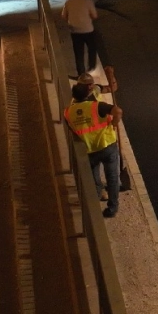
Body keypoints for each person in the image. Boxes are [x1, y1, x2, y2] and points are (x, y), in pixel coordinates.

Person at [65, 79, 123, 217]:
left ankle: (96, 195)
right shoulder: (96, 106)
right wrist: (114, 123)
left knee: (94, 175)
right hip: (107, 145)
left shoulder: (68, 112)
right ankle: (112, 207)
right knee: (112, 177)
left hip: (90, 150)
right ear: (87, 94)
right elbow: (118, 111)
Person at [63, 0, 101, 76]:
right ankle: (91, 67)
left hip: (74, 31)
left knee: (78, 53)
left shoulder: (68, 2)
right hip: (88, 30)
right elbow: (95, 16)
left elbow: (63, 16)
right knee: (92, 48)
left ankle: (81, 73)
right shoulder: (88, 2)